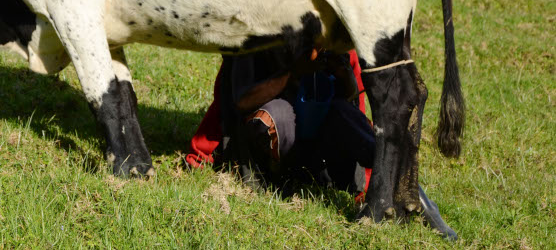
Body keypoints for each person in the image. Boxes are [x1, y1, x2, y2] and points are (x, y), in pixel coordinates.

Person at [186, 48, 457, 240]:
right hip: (276, 136)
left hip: (322, 138)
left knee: (345, 116)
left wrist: (339, 72)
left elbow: (351, 94)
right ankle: (282, 180)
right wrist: (291, 74)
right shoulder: (259, 30)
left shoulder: (331, 35)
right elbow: (241, 100)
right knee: (274, 117)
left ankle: (409, 190)